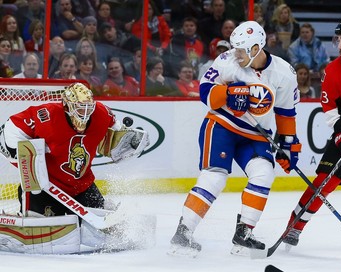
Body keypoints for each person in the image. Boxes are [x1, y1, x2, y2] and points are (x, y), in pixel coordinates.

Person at [170, 21, 300, 256]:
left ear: (256, 49)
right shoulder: (226, 61)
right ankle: (183, 232)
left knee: (264, 172)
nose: (236, 54)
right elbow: (205, 92)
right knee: (215, 177)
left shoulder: (284, 73)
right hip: (223, 125)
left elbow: (285, 112)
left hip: (256, 134)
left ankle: (244, 232)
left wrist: (289, 146)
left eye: (242, 50)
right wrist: (228, 93)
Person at [0, 82, 149, 252]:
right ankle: (16, 220)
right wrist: (21, 152)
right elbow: (11, 128)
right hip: (45, 189)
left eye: (88, 107)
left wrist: (130, 140)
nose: (84, 112)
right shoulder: (45, 115)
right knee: (42, 230)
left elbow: (117, 131)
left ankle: (99, 211)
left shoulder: (102, 113)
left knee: (109, 232)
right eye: (79, 107)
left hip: (82, 185)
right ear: (66, 105)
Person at [283, 18, 341, 248]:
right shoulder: (332, 71)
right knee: (325, 179)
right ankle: (294, 226)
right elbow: (331, 109)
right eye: (338, 40)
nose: (339, 45)